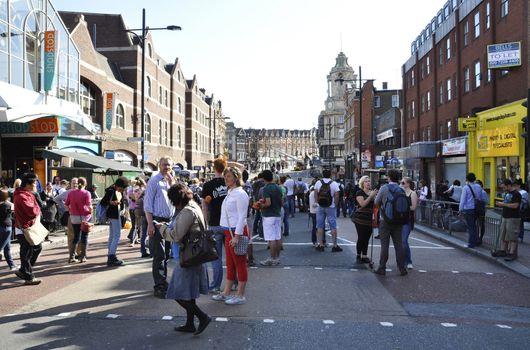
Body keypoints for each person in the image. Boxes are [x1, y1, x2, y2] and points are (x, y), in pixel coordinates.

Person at [157, 183, 211, 335]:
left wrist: (162, 228)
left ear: (176, 199)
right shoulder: (193, 205)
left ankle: (203, 317)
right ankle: (189, 324)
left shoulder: (187, 211)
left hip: (187, 257)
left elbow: (175, 235)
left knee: (177, 293)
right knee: (189, 292)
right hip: (194, 255)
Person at [213, 166, 249, 305]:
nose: (226, 178)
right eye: (225, 176)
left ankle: (240, 295)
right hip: (229, 231)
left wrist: (237, 236)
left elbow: (242, 217)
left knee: (240, 264)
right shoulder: (231, 192)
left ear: (236, 177)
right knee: (230, 264)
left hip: (235, 232)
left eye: (228, 176)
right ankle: (226, 292)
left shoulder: (240, 194)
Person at [144, 157, 176, 298]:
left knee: (167, 254)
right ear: (159, 165)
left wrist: (172, 184)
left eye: (168, 165)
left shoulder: (171, 181)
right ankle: (159, 286)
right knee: (159, 254)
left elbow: (178, 200)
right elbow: (147, 205)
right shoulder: (154, 181)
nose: (166, 167)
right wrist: (150, 223)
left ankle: (163, 282)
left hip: (170, 221)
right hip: (157, 221)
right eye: (164, 165)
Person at [201, 157, 228, 293]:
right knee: (231, 256)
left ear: (213, 168)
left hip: (214, 223)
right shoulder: (230, 183)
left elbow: (204, 207)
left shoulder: (208, 185)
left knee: (216, 257)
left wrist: (206, 223)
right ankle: (234, 283)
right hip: (229, 224)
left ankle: (216, 285)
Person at [374, 169, 407, 276]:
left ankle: (382, 267)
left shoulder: (384, 188)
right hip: (398, 221)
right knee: (399, 245)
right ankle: (402, 268)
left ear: (388, 177)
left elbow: (376, 202)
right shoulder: (401, 189)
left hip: (385, 221)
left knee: (385, 245)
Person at [13, 173, 43, 285]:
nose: (36, 185)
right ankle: (28, 276)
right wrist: (37, 208)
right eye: (34, 183)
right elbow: (32, 211)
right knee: (27, 252)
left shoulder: (28, 194)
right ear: (28, 184)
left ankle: (24, 270)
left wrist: (37, 207)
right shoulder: (21, 196)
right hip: (24, 229)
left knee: (36, 248)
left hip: (30, 227)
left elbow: (36, 208)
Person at [101, 176, 129, 267]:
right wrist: (112, 203)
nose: (123, 189)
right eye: (123, 187)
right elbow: (103, 202)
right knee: (116, 235)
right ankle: (111, 256)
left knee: (112, 236)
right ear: (119, 186)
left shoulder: (112, 190)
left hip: (114, 215)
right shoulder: (112, 191)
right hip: (114, 215)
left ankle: (110, 254)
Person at [492, 179, 521, 261]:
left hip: (513, 218)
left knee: (512, 236)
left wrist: (503, 204)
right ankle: (503, 251)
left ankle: (512, 253)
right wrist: (502, 204)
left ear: (509, 185)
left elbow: (515, 205)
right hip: (506, 217)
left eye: (504, 187)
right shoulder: (507, 193)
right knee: (503, 235)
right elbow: (508, 204)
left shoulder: (516, 194)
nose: (503, 189)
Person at [259, 170, 283, 266]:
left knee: (271, 238)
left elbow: (268, 203)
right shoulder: (278, 187)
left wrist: (261, 204)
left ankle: (272, 259)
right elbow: (281, 202)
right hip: (277, 214)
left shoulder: (266, 189)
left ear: (263, 178)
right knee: (277, 237)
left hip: (269, 215)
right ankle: (277, 258)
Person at [65, 177, 92, 263]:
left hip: (74, 217)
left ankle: (71, 257)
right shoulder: (87, 193)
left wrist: (70, 211)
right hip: (84, 217)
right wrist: (90, 212)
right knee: (84, 236)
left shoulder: (71, 193)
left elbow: (66, 204)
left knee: (76, 236)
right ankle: (82, 256)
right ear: (85, 184)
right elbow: (89, 206)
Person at [314, 169, 342, 252]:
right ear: (330, 175)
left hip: (320, 206)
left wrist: (317, 202)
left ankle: (321, 245)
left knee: (320, 226)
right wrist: (335, 205)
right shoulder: (334, 184)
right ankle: (335, 245)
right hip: (331, 206)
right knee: (333, 226)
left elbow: (315, 194)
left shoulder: (318, 183)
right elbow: (337, 196)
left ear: (322, 175)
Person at [352, 176, 378, 264]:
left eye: (369, 181)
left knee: (367, 238)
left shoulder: (372, 193)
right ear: (362, 183)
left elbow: (376, 205)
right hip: (360, 219)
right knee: (361, 237)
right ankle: (359, 254)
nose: (368, 183)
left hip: (369, 219)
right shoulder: (359, 192)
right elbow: (362, 204)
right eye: (366, 181)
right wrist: (371, 196)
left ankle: (365, 255)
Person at [54, 178, 80, 261]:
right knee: (71, 235)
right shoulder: (68, 192)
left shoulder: (82, 192)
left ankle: (79, 253)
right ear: (70, 184)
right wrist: (65, 207)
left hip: (80, 216)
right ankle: (72, 254)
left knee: (80, 235)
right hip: (71, 215)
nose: (75, 184)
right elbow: (56, 199)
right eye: (73, 183)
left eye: (76, 183)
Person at [458, 173, 483, 248]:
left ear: (467, 179)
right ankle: (476, 241)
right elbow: (480, 197)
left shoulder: (466, 187)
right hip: (477, 208)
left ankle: (471, 243)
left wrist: (460, 210)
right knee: (475, 226)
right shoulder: (479, 186)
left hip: (469, 209)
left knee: (471, 227)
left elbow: (462, 200)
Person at [401, 177, 418, 269]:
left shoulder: (413, 193)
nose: (401, 184)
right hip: (399, 219)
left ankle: (408, 261)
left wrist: (403, 206)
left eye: (403, 182)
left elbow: (413, 207)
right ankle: (402, 261)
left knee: (404, 241)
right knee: (400, 242)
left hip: (407, 220)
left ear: (408, 184)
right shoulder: (400, 192)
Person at [0, 189, 16, 270]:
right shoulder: (8, 205)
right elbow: (14, 206)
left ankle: (12, 265)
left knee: (7, 248)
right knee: (2, 247)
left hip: (2, 227)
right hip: (7, 228)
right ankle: (12, 265)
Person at [133, 178, 149, 258]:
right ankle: (151, 251)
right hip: (148, 214)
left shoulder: (138, 191)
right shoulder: (148, 192)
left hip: (141, 213)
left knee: (143, 234)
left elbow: (131, 197)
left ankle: (143, 251)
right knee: (151, 233)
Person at [514, 179, 528, 243]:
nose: (515, 187)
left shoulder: (524, 192)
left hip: (521, 210)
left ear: (519, 186)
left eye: (515, 186)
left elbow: (525, 202)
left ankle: (520, 237)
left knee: (520, 224)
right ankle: (515, 236)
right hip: (514, 209)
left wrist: (520, 200)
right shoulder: (514, 192)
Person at [251, 173, 265, 239]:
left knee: (257, 216)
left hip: (256, 201)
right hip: (261, 201)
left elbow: (252, 193)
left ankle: (254, 230)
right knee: (262, 217)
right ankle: (261, 232)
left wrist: (254, 201)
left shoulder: (254, 183)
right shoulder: (263, 184)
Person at [475, 179, 489, 245]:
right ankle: (477, 238)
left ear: (481, 185)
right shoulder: (475, 192)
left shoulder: (483, 192)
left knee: (481, 224)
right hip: (475, 210)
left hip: (481, 210)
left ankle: (480, 238)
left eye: (477, 184)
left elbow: (486, 201)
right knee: (476, 224)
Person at [126, 179, 138, 246]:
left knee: (135, 225)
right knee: (135, 226)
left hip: (131, 208)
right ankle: (132, 240)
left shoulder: (129, 190)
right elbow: (134, 199)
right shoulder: (132, 191)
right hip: (135, 209)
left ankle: (133, 238)